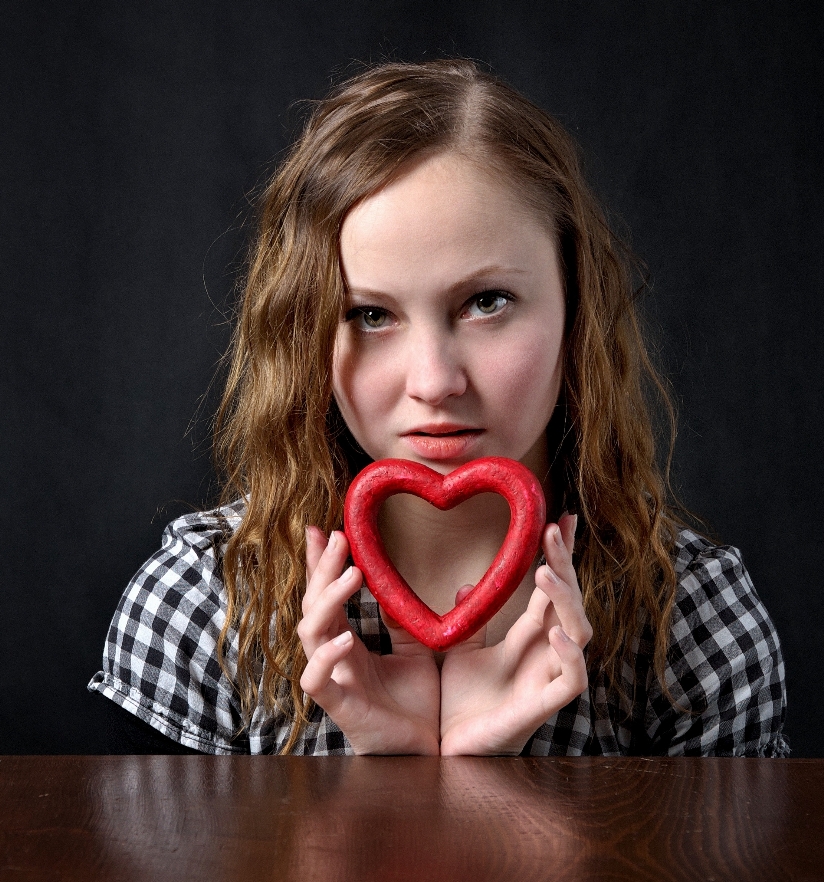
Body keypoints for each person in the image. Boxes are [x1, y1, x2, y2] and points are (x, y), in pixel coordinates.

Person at [88, 59, 788, 757]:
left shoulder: (693, 618)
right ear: (304, 334)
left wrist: (489, 775)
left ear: (579, 309)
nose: (433, 382)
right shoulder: (201, 606)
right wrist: (397, 764)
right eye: (368, 314)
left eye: (487, 303)